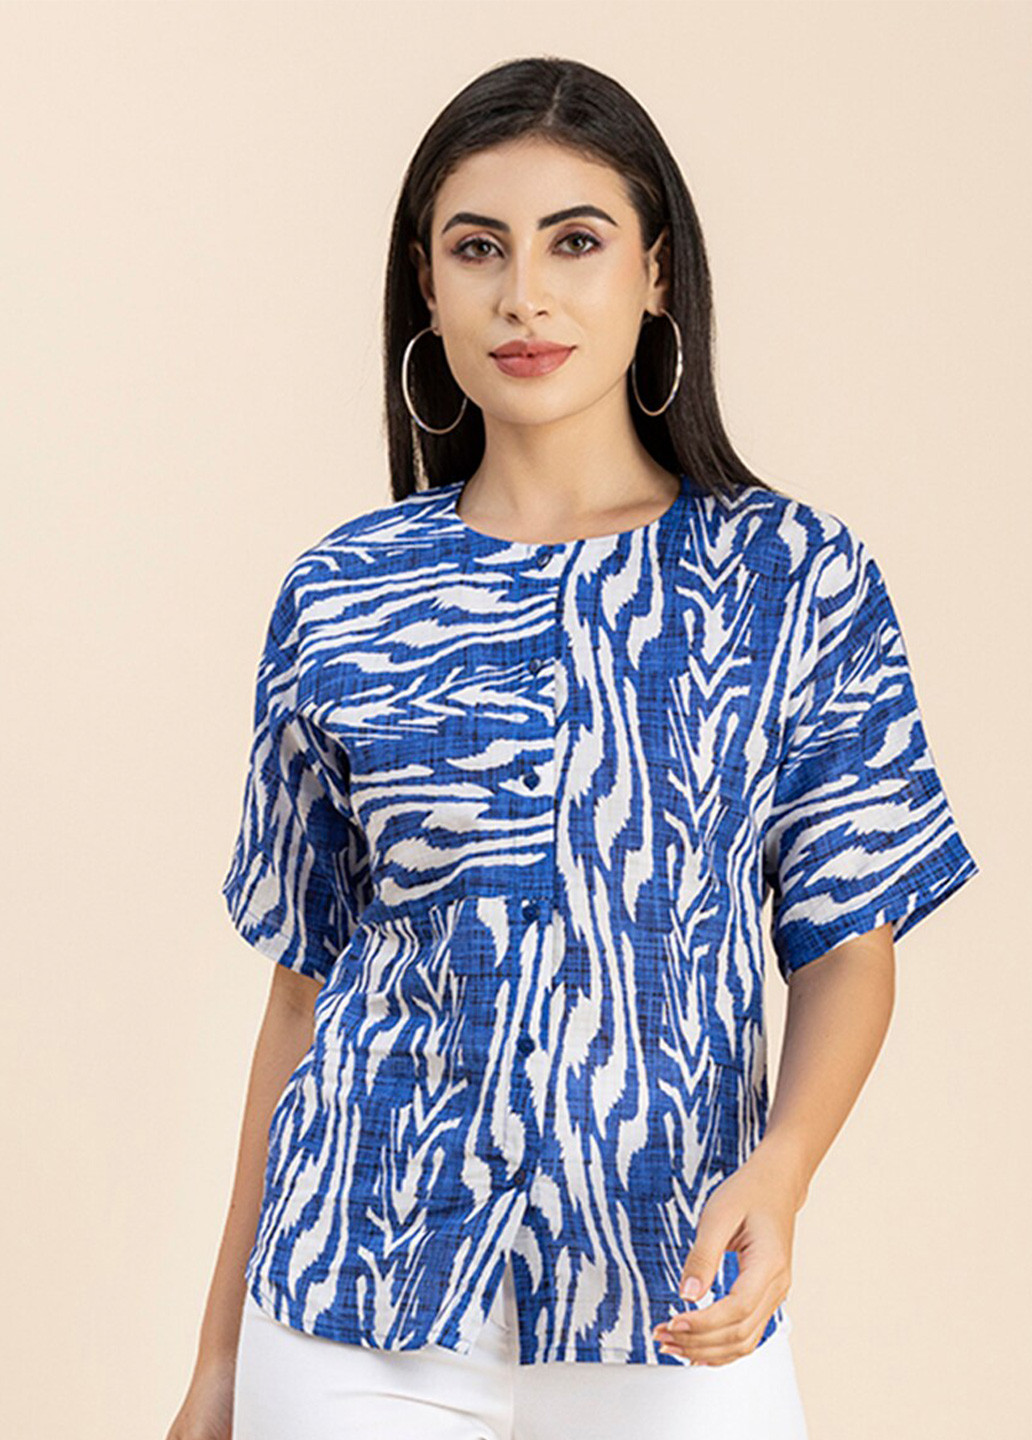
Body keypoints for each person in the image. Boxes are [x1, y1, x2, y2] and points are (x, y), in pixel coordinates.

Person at [166, 55, 979, 1440]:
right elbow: (301, 996)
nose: (524, 296)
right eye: (477, 248)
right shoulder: (343, 590)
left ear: (657, 273)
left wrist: (783, 1174)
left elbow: (850, 943)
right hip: (351, 1299)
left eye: (576, 242)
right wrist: (219, 1363)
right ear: (427, 287)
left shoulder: (792, 576)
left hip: (672, 1292)